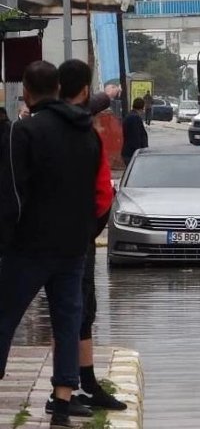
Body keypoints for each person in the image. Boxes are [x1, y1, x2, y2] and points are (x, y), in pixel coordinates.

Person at [0, 61, 101, 429]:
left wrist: (5, 239)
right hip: (73, 247)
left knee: (4, 317)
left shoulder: (24, 133)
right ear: (58, 88)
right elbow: (94, 192)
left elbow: (13, 193)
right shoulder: (88, 132)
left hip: (29, 247)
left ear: (26, 89)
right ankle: (61, 406)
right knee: (67, 324)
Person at [57, 59, 128, 413]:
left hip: (34, 240)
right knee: (79, 312)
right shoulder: (86, 135)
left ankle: (72, 389)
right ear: (84, 90)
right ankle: (76, 387)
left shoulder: (30, 128)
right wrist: (91, 231)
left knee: (58, 313)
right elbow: (103, 194)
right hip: (76, 240)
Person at [122, 98, 148, 166]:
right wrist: (139, 153)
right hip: (132, 154)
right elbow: (136, 138)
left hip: (129, 152)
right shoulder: (135, 118)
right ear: (142, 107)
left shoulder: (130, 115)